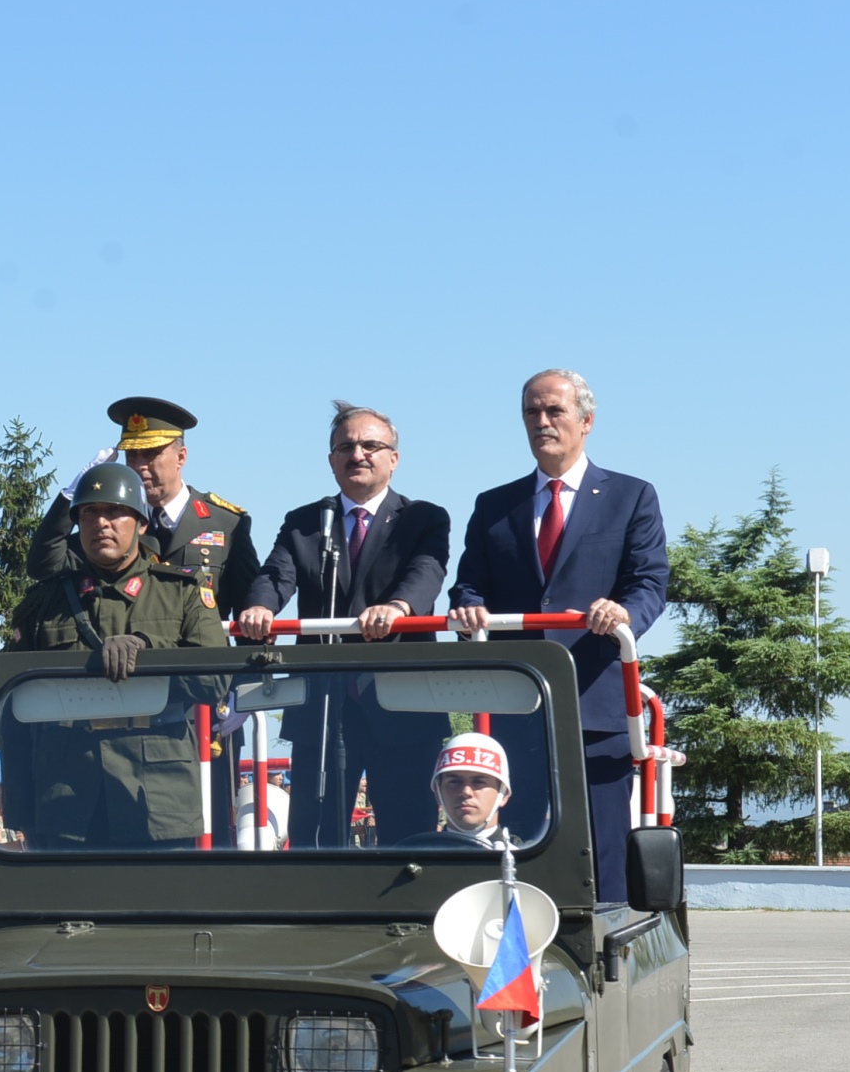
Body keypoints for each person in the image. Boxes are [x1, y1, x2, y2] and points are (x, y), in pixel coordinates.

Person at [447, 368, 669, 902]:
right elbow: (469, 584)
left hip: (595, 703)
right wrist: (469, 607)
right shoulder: (494, 505)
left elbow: (649, 582)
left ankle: (604, 943)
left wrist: (622, 614)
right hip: (516, 702)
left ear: (586, 421)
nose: (542, 422)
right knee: (517, 845)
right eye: (532, 412)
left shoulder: (631, 496)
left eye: (554, 411)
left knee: (603, 848)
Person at [237, 401, 455, 846]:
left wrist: (398, 607)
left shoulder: (423, 518)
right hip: (324, 707)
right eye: (346, 447)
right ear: (331, 460)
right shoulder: (305, 523)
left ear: (394, 458)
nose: (358, 455)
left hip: (401, 705)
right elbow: (276, 575)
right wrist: (260, 607)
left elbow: (426, 573)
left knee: (410, 835)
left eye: (371, 446)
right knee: (315, 836)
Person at [10, 462, 231, 847]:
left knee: (154, 890)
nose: (101, 523)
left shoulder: (181, 592)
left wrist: (148, 650)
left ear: (141, 524)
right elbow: (14, 709)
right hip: (66, 795)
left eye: (115, 511)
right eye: (89, 513)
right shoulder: (46, 602)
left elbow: (215, 681)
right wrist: (19, 808)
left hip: (159, 793)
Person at [29, 397, 259, 613]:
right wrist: (73, 494)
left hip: (201, 642)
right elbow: (44, 565)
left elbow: (247, 609)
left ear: (180, 457)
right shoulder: (113, 520)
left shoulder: (226, 523)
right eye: (132, 455)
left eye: (150, 454)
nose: (139, 466)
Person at [414, 732, 517, 848]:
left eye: (479, 782)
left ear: (504, 795)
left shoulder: (525, 855)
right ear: (438, 793)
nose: (466, 792)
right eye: (454, 781)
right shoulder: (414, 854)